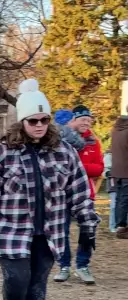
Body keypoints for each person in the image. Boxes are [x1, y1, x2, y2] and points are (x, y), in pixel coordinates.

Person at [0, 79, 99, 300]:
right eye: (33, 120)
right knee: (17, 280)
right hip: (10, 229)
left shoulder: (64, 152)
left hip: (50, 231)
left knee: (38, 281)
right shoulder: (3, 151)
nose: (39, 125)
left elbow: (78, 189)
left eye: (44, 119)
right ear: (22, 122)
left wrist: (87, 225)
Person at [55, 105, 103, 284]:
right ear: (72, 120)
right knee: (61, 230)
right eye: (83, 120)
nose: (86, 123)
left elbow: (99, 168)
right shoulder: (60, 140)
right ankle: (64, 266)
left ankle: (83, 266)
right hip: (62, 193)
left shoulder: (92, 141)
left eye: (89, 120)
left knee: (88, 229)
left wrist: (78, 167)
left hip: (85, 192)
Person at [112, 116, 128, 239]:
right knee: (124, 199)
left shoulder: (116, 130)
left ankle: (118, 225)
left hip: (116, 170)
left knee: (119, 198)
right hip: (126, 170)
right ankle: (122, 228)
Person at [104, 148, 116, 233]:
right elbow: (105, 171)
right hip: (113, 185)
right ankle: (112, 226)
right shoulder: (109, 156)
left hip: (124, 184)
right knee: (114, 206)